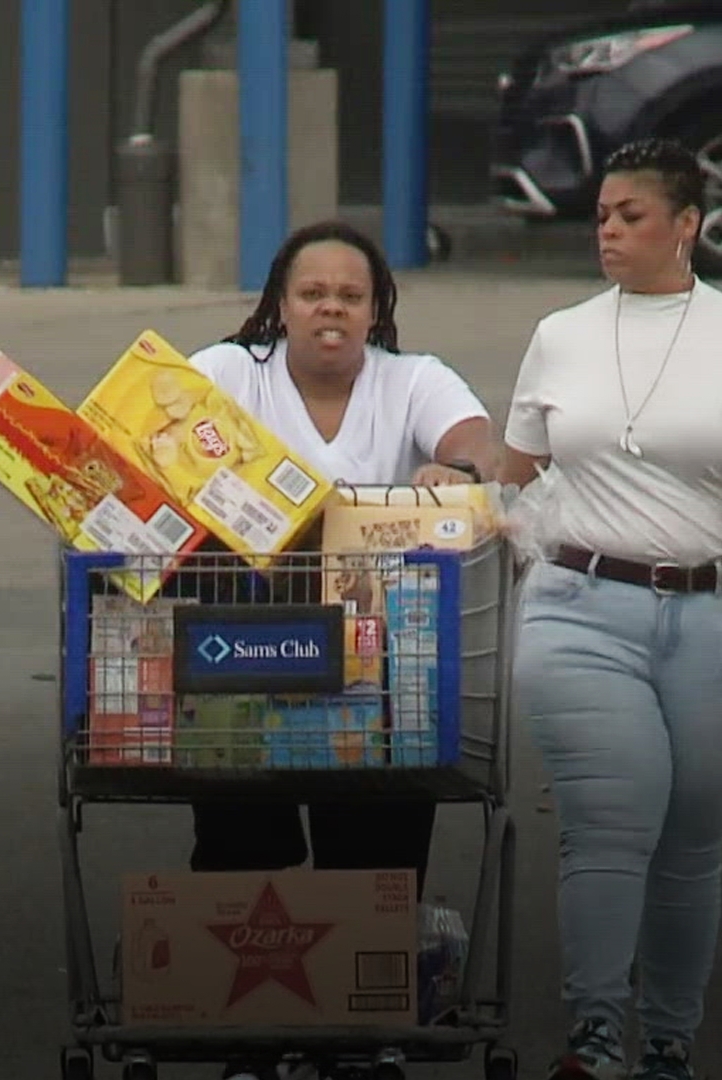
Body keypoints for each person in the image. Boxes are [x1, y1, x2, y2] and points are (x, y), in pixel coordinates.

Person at [147, 221, 498, 1080]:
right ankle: (251, 1037)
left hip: (376, 670)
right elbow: (148, 438)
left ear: (377, 309)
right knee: (241, 836)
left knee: (374, 837)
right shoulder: (231, 372)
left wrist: (458, 471)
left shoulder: (412, 380)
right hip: (239, 655)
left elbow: (478, 442)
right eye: (313, 294)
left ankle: (361, 1024)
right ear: (279, 305)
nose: (330, 310)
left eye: (350, 295)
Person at [498, 138, 722, 1080]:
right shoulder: (561, 334)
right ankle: (595, 1036)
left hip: (718, 614)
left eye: (630, 216)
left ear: (687, 226)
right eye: (600, 215)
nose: (607, 231)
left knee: (689, 841)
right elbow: (515, 475)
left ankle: (669, 1040)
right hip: (581, 608)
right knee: (609, 820)